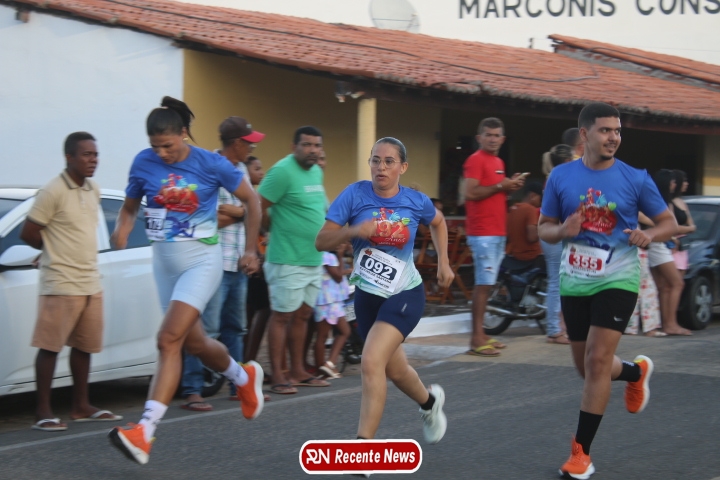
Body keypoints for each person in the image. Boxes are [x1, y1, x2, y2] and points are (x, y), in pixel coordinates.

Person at [108, 97, 264, 465]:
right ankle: (243, 378)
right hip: (164, 266)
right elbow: (130, 207)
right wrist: (122, 228)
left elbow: (252, 202)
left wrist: (250, 250)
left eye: (168, 145)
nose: (161, 153)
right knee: (194, 343)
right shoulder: (143, 163)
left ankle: (144, 431)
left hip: (201, 262)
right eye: (155, 146)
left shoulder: (211, 164)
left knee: (168, 339)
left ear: (183, 133)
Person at [539, 102, 678, 479]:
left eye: (617, 131)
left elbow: (668, 223)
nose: (613, 137)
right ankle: (634, 372)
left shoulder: (635, 178)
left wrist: (649, 234)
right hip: (575, 279)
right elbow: (544, 227)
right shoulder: (561, 177)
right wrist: (562, 230)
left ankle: (580, 454)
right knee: (585, 367)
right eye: (605, 130)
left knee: (598, 361)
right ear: (585, 134)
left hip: (618, 277)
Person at [315, 136, 453, 444]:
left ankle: (363, 447)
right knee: (397, 371)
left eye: (389, 161)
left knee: (371, 360)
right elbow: (321, 241)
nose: (381, 167)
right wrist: (354, 230)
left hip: (405, 294)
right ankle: (430, 403)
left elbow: (439, 222)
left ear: (402, 167)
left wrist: (444, 262)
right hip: (367, 298)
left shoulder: (415, 200)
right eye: (376, 160)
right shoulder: (354, 195)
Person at [20, 132, 122, 432]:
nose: (93, 160)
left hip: (90, 279)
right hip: (61, 281)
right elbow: (29, 232)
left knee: (84, 346)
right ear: (69, 157)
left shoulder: (93, 189)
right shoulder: (52, 190)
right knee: (50, 347)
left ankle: (81, 406)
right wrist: (51, 250)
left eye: (95, 154)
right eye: (87, 154)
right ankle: (43, 412)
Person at [180, 117, 265, 411]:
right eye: (249, 143)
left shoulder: (241, 171)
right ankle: (193, 390)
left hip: (237, 262)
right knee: (206, 330)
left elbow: (253, 211)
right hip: (211, 264)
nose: (252, 148)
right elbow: (205, 219)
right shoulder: (207, 168)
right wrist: (241, 212)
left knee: (235, 328)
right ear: (237, 143)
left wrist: (238, 212)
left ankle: (238, 385)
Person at [259, 126, 330, 394]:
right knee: (282, 317)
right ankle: (278, 375)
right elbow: (258, 205)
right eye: (307, 145)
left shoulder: (316, 171)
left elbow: (318, 208)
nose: (313, 150)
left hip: (313, 258)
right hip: (287, 258)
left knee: (302, 316)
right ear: (294, 147)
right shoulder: (281, 171)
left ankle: (298, 371)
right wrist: (267, 229)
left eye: (317, 145)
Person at [463, 117, 525, 357]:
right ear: (479, 138)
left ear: (503, 139)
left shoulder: (498, 162)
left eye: (496, 135)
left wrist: (509, 185)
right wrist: (501, 186)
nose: (492, 139)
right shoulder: (475, 160)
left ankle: (482, 334)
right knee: (483, 284)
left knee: (487, 284)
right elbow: (470, 192)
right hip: (483, 233)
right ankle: (476, 338)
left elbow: (495, 191)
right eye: (488, 135)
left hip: (497, 231)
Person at [642, 169, 692, 336]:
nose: (675, 184)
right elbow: (667, 225)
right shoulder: (658, 202)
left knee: (663, 286)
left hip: (657, 244)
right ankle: (671, 324)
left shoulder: (663, 201)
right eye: (672, 182)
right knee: (677, 283)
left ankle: (666, 323)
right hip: (657, 245)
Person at [541, 144, 575, 345]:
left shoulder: (553, 178)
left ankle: (559, 327)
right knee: (557, 281)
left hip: (553, 233)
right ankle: (554, 329)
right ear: (567, 161)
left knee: (560, 281)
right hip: (555, 233)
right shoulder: (560, 179)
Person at [244, 155, 271, 364]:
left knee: (252, 315)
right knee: (259, 312)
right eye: (256, 168)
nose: (261, 173)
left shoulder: (254, 198)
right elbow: (249, 225)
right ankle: (248, 360)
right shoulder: (247, 197)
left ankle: (247, 361)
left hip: (256, 260)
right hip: (253, 264)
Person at [313, 244, 352, 379]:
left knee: (344, 331)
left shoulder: (327, 256)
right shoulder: (327, 256)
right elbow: (338, 277)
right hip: (326, 301)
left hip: (332, 301)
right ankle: (321, 368)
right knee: (323, 336)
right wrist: (340, 256)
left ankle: (329, 364)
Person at [504, 180, 543, 269]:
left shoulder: (512, 209)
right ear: (532, 196)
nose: (541, 203)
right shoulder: (530, 209)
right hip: (530, 257)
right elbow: (532, 237)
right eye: (541, 199)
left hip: (512, 255)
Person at [670, 169, 695, 274]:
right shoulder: (669, 203)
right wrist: (686, 228)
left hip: (682, 246)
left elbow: (693, 226)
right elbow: (671, 227)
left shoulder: (682, 202)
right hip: (672, 244)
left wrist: (680, 229)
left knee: (681, 278)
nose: (686, 184)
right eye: (684, 181)